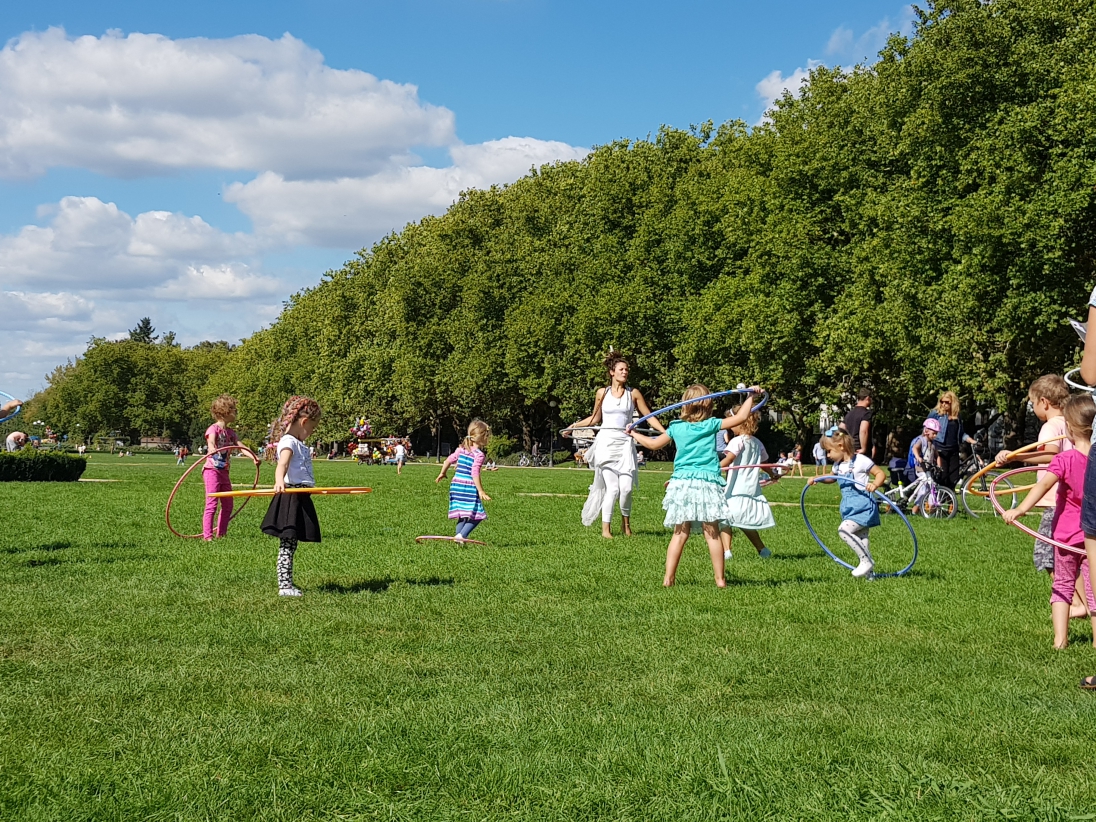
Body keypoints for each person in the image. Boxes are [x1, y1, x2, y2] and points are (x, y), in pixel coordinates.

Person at [628, 384, 759, 587]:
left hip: (682, 483)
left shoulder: (676, 427)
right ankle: (720, 580)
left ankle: (668, 579)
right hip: (706, 482)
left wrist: (633, 433)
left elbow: (653, 444)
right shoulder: (711, 424)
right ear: (708, 404)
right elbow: (741, 417)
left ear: (685, 404)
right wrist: (751, 396)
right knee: (712, 533)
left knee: (680, 533)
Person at [1003, 394, 1096, 649]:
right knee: (1093, 588)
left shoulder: (1064, 459)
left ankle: (1060, 641)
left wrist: (1019, 509)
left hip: (1065, 535)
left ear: (1069, 428)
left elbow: (1042, 485)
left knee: (1063, 584)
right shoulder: (1095, 461)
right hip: (1091, 535)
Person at [569, 352, 666, 538]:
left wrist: (664, 432)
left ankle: (625, 525)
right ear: (612, 372)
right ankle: (606, 530)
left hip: (625, 444)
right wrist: (573, 426)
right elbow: (595, 419)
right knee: (612, 488)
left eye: (627, 370)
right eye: (621, 369)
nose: (625, 372)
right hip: (606, 443)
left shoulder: (633, 393)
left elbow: (648, 416)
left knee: (627, 488)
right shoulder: (602, 393)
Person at [995, 375, 1072, 576]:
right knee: (1068, 554)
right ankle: (1076, 594)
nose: (1032, 408)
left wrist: (1015, 457)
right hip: (1071, 500)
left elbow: (1051, 454)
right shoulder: (1072, 424)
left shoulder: (1051, 426)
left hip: (1055, 500)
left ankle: (1068, 594)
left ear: (1044, 402)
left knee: (1047, 554)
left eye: (1032, 403)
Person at [261, 396, 323, 597]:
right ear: (304, 422)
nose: (311, 432)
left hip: (299, 495)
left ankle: (286, 583)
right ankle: (284, 586)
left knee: (291, 543)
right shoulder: (289, 441)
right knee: (287, 543)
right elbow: (283, 463)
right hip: (290, 497)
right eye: (312, 428)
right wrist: (279, 481)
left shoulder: (297, 442)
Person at [808, 429, 886, 579]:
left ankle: (866, 561)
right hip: (850, 507)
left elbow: (880, 473)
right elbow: (832, 478)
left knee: (844, 530)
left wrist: (875, 484)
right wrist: (818, 478)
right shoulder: (838, 465)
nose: (828, 455)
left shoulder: (861, 461)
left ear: (841, 446)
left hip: (864, 506)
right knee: (862, 540)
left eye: (829, 451)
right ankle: (870, 575)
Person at [717, 403, 775, 562]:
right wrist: (773, 475)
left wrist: (714, 469)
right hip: (750, 489)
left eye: (732, 422)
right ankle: (762, 549)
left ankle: (727, 552)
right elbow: (765, 464)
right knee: (741, 521)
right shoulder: (757, 442)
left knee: (725, 518)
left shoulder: (737, 441)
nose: (730, 426)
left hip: (735, 488)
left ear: (740, 422)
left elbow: (729, 459)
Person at [436, 420, 492, 542]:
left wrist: (443, 473)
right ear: (481, 437)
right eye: (487, 436)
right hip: (468, 487)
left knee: (462, 515)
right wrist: (481, 491)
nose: (488, 438)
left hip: (456, 486)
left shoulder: (461, 449)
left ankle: (458, 538)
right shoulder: (479, 455)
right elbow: (474, 473)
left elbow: (448, 460)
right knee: (478, 515)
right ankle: (462, 536)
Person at [202, 394, 241, 541]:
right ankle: (207, 536)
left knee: (228, 504)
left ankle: (222, 534)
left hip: (224, 471)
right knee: (212, 503)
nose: (236, 412)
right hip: (212, 470)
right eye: (234, 410)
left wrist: (253, 457)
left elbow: (240, 445)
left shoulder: (230, 433)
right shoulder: (213, 429)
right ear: (225, 412)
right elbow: (211, 441)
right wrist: (212, 448)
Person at [927, 391, 976, 491]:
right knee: (943, 476)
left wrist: (971, 440)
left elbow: (961, 433)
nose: (943, 404)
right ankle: (942, 498)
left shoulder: (957, 416)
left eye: (947, 402)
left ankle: (950, 498)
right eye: (942, 402)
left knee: (954, 477)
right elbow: (926, 429)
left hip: (953, 449)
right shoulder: (935, 414)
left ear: (953, 403)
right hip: (940, 450)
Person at [906, 418, 939, 513]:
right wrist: (918, 457)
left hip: (928, 469)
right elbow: (915, 448)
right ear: (926, 431)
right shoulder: (922, 440)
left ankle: (931, 508)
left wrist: (939, 466)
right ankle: (916, 508)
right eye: (934, 433)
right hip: (921, 469)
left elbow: (937, 456)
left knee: (932, 487)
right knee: (924, 488)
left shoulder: (933, 444)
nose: (935, 436)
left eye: (936, 433)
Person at [840, 388, 874, 458]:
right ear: (867, 398)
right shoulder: (866, 413)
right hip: (860, 449)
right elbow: (863, 431)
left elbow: (841, 428)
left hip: (850, 448)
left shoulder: (849, 413)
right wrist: (863, 448)